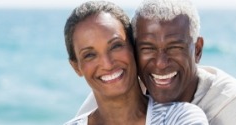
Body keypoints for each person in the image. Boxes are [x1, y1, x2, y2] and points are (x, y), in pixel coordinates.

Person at [76, 0, 236, 125]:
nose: (160, 63)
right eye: (148, 48)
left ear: (197, 50)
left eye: (174, 48)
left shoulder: (234, 104)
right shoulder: (120, 90)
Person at [63, 1, 208, 125]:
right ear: (76, 67)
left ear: (134, 47)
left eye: (115, 46)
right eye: (90, 55)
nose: (107, 64)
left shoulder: (181, 118)